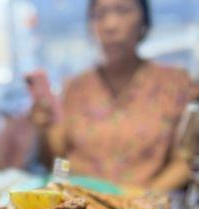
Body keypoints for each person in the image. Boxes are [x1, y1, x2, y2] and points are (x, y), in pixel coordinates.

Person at [30, 0, 199, 192]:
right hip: (80, 207)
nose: (110, 25)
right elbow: (59, 161)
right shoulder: (74, 88)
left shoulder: (175, 84)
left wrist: (146, 196)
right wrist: (43, 133)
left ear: (144, 20)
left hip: (142, 207)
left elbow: (185, 160)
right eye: (99, 14)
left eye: (123, 10)